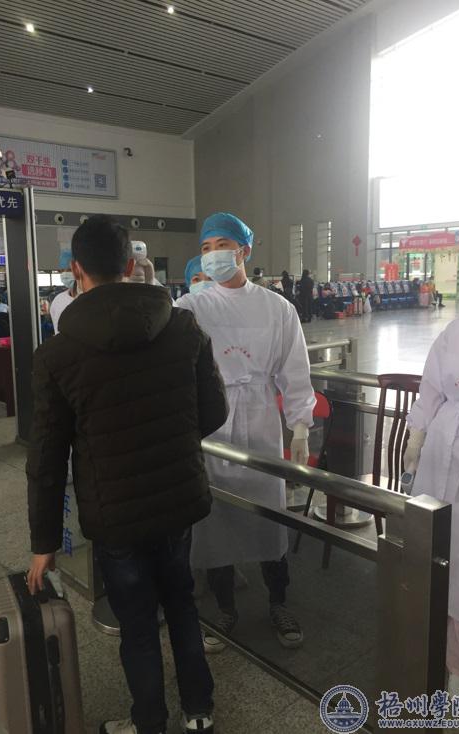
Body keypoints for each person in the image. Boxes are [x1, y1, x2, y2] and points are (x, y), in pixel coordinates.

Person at [26, 215, 228, 734]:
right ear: (132, 265)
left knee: (137, 624)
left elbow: (47, 458)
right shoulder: (182, 327)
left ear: (76, 270)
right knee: (181, 603)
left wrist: (44, 542)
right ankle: (200, 711)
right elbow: (213, 411)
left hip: (115, 515)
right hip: (178, 500)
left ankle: (149, 722)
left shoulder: (57, 354)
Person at [175, 212, 315, 653]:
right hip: (212, 420)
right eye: (206, 247)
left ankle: (278, 602)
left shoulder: (277, 308)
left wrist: (300, 426)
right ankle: (224, 609)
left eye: (222, 245)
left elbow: (295, 370)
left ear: (244, 251)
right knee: (214, 519)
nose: (213, 254)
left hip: (260, 418)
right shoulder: (192, 307)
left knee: (269, 516)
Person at [404, 304, 459, 701]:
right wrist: (416, 435)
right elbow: (431, 387)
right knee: (439, 552)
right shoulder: (458, 330)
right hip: (444, 447)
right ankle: (435, 643)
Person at [50, 250, 77, 334]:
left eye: (69, 270)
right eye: (62, 271)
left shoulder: (90, 299)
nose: (64, 274)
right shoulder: (58, 300)